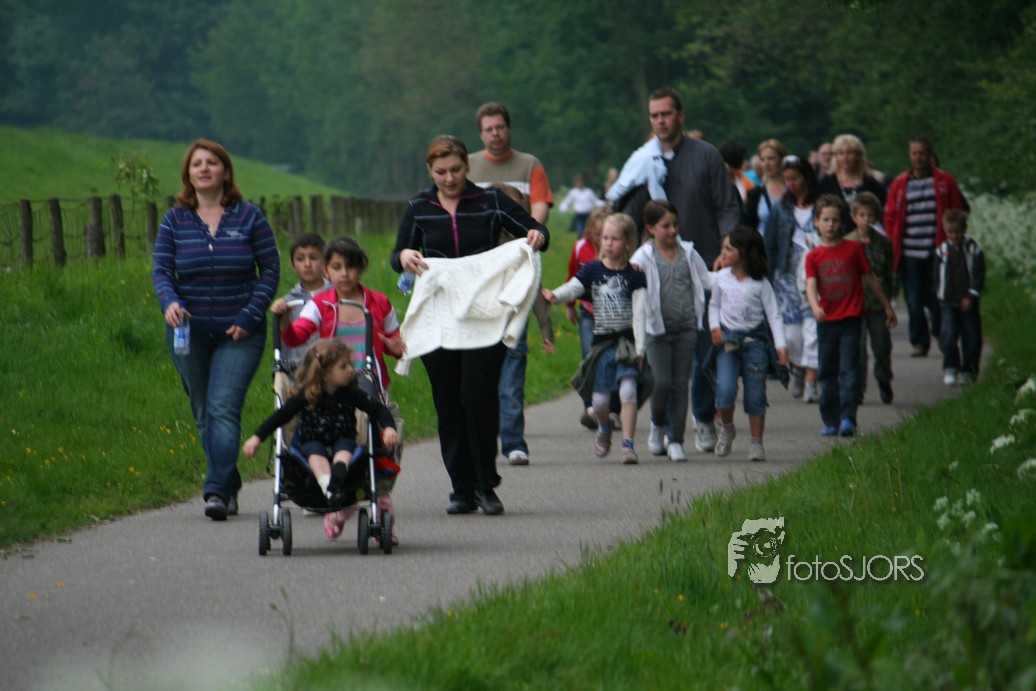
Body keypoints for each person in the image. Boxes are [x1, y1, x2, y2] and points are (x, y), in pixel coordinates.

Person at [392, 134, 548, 516]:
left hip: (485, 314)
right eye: (441, 172)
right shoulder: (419, 207)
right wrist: (406, 255)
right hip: (439, 316)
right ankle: (460, 488)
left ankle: (485, 485)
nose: (449, 178)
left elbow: (536, 232)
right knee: (447, 402)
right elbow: (399, 255)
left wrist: (537, 235)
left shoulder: (490, 200)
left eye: (456, 170)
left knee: (478, 397)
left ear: (467, 166)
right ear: (430, 171)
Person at [152, 138, 280, 521]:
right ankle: (228, 480)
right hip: (187, 332)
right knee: (203, 410)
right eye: (197, 164)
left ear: (225, 171)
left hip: (239, 332)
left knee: (223, 407)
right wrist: (169, 302)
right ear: (188, 175)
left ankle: (216, 491)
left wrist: (250, 315)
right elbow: (162, 271)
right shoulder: (174, 220)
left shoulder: (249, 216)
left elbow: (270, 270)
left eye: (211, 162)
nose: (204, 168)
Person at [643, 87, 741, 455]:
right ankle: (662, 423)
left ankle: (701, 417)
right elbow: (629, 206)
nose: (660, 121)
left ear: (680, 116)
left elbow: (727, 206)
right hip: (657, 268)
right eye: (654, 115)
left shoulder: (707, 155)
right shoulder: (645, 158)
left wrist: (728, 247)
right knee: (661, 354)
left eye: (666, 114)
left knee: (700, 350)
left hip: (702, 262)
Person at [241, 340, 399, 540]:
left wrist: (389, 428)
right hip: (312, 440)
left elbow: (378, 409)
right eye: (344, 366)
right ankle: (330, 489)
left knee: (345, 448)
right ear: (325, 373)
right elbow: (281, 416)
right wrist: (257, 438)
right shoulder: (307, 394)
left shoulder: (352, 393)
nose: (351, 370)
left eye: (350, 364)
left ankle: (337, 478)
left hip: (343, 438)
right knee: (315, 453)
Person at [468, 102, 553, 468]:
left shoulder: (529, 165)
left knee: (513, 366)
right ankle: (478, 439)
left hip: (517, 263)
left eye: (500, 127)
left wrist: (529, 234)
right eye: (489, 129)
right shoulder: (467, 165)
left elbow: (540, 208)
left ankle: (514, 442)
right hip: (478, 273)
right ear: (480, 133)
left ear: (509, 128)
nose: (495, 133)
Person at [542, 212, 648, 464]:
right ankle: (604, 427)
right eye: (605, 238)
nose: (608, 243)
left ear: (628, 242)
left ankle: (628, 446)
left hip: (627, 345)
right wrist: (555, 295)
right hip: (602, 346)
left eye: (615, 239)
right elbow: (574, 287)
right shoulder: (593, 269)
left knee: (628, 393)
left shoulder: (635, 276)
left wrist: (641, 349)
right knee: (599, 402)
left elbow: (640, 314)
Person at [805, 195, 897, 437]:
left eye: (835, 220)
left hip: (851, 319)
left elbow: (870, 278)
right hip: (827, 321)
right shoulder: (813, 256)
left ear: (843, 222)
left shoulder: (854, 249)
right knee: (827, 371)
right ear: (816, 222)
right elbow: (811, 284)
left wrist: (887, 306)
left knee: (849, 370)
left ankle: (848, 418)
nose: (831, 225)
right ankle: (830, 419)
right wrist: (815, 306)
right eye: (826, 220)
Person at [630, 200, 712, 462]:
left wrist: (732, 273)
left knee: (680, 385)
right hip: (657, 331)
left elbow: (707, 280)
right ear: (651, 228)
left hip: (686, 327)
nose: (673, 230)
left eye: (675, 224)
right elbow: (629, 288)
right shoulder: (642, 257)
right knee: (661, 383)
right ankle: (658, 425)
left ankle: (676, 440)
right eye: (666, 226)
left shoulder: (688, 252)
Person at [279, 237, 403, 393]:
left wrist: (397, 350)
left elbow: (398, 345)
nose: (344, 273)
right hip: (332, 389)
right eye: (336, 267)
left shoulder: (380, 302)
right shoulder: (320, 304)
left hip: (373, 387)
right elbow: (295, 338)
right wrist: (284, 320)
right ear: (326, 271)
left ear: (361, 268)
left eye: (350, 266)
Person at [709, 227, 788, 462]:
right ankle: (727, 428)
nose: (723, 252)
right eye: (723, 247)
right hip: (728, 343)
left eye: (728, 248)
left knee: (756, 394)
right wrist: (715, 327)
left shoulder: (761, 283)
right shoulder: (721, 278)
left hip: (755, 344)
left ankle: (756, 442)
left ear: (743, 252)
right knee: (725, 390)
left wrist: (781, 345)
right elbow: (714, 306)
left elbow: (773, 315)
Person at [884, 135, 967, 358]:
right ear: (909, 155)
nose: (918, 157)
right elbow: (890, 216)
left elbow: (956, 210)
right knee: (913, 299)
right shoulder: (900, 184)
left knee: (938, 296)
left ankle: (942, 334)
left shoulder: (944, 181)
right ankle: (919, 342)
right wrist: (892, 243)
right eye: (914, 153)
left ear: (930, 155)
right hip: (909, 251)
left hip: (938, 250)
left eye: (922, 153)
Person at [494, 183, 557, 463]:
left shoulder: (526, 246)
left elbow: (535, 289)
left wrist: (546, 331)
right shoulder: (479, 241)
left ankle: (513, 444)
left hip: (514, 328)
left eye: (517, 208)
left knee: (511, 388)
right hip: (481, 327)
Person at [764, 154, 820, 403]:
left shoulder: (821, 206)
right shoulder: (781, 208)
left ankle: (811, 381)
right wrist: (767, 275)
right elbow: (770, 244)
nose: (791, 184)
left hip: (815, 276)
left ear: (806, 177)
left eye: (795, 178)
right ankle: (798, 367)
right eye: (787, 179)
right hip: (786, 276)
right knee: (791, 333)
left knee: (813, 330)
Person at [566, 207, 622, 430]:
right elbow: (572, 278)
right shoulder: (581, 247)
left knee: (613, 360)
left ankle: (613, 410)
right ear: (590, 230)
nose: (601, 239)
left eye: (606, 234)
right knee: (589, 357)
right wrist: (570, 305)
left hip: (614, 317)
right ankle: (590, 408)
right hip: (588, 312)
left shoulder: (619, 250)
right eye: (598, 233)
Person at [845, 192, 895, 404]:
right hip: (854, 306)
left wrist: (889, 303)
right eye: (862, 215)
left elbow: (889, 274)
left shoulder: (883, 243)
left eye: (870, 215)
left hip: (877, 305)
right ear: (854, 217)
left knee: (882, 347)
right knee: (857, 351)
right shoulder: (847, 242)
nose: (866, 219)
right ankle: (858, 389)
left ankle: (884, 379)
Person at [934, 209, 985, 386]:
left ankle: (969, 370)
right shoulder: (942, 251)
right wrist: (939, 296)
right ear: (944, 230)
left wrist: (971, 296)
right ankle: (950, 366)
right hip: (947, 301)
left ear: (964, 229)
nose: (954, 236)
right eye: (950, 232)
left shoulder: (973, 250)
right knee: (948, 334)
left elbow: (978, 275)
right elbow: (937, 275)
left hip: (968, 300)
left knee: (972, 336)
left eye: (957, 231)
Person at [271, 233, 331, 374]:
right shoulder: (289, 302)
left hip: (333, 366)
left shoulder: (337, 294)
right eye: (300, 259)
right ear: (293, 265)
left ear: (324, 262)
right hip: (300, 369)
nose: (307, 264)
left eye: (313, 258)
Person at [818, 134, 887, 232]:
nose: (845, 157)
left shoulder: (870, 182)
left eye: (849, 153)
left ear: (858, 156)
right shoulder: (827, 182)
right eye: (841, 153)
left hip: (865, 234)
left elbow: (883, 206)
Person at [743, 139, 788, 239]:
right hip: (763, 245)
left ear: (781, 159)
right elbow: (750, 227)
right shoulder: (756, 194)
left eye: (771, 158)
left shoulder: (792, 190)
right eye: (762, 160)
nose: (766, 164)